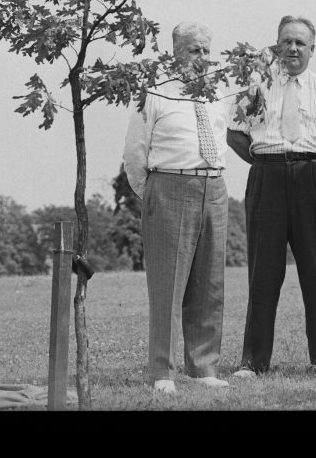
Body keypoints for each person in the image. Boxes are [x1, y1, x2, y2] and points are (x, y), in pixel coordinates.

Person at [227, 15, 316, 378]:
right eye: (286, 42)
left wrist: (308, 167)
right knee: (263, 271)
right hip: (267, 175)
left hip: (312, 176)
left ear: (313, 48)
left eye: (300, 42)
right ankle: (253, 360)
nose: (293, 48)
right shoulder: (257, 87)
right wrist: (267, 162)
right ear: (276, 45)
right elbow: (236, 134)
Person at [122, 21, 231, 394]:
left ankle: (204, 366)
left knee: (209, 282)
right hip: (169, 185)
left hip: (213, 186)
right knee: (168, 284)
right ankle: (162, 371)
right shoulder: (155, 93)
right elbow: (135, 154)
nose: (201, 57)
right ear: (174, 52)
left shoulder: (219, 93)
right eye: (192, 50)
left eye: (205, 50)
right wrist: (154, 193)